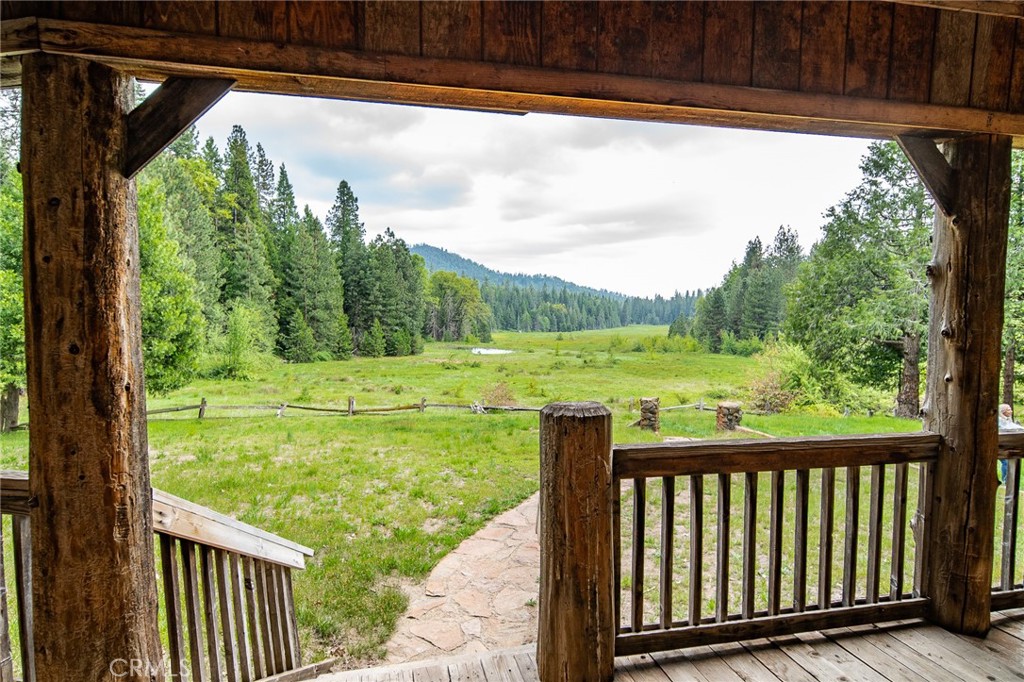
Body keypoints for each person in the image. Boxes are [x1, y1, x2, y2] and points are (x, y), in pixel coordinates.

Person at [998, 403, 1023, 485]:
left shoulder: (1007, 419)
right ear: (1003, 411)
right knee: (1006, 462)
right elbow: (1007, 427)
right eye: (1008, 409)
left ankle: (1008, 480)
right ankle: (1005, 480)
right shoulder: (1000, 420)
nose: (1011, 411)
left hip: (1004, 445)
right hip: (1000, 445)